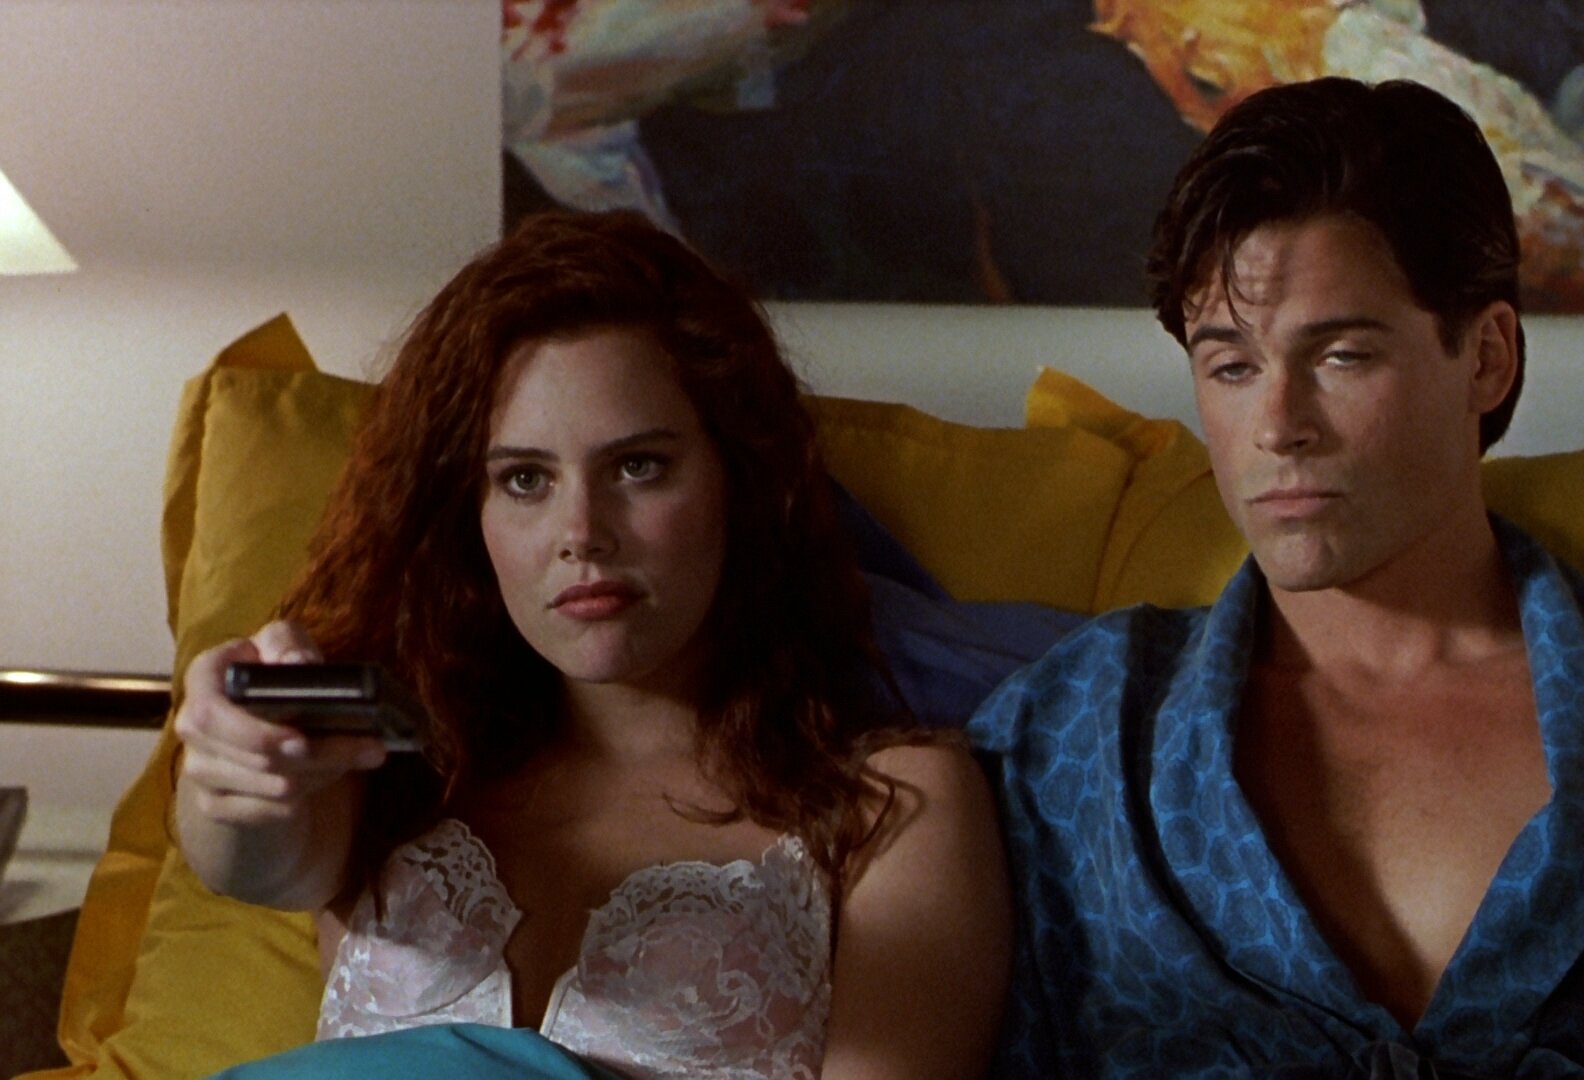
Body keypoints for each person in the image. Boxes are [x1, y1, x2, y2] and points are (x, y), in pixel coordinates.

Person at [967, 76, 1584, 1077]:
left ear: (1487, 358)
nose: (1278, 426)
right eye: (1233, 367)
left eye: (1341, 356)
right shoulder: (1070, 736)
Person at [173, 209, 1010, 1079]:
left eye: (638, 466)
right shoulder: (395, 766)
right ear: (469, 514)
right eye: (524, 479)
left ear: (739, 480)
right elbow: (251, 862)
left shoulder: (894, 804)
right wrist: (231, 773)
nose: (581, 532)